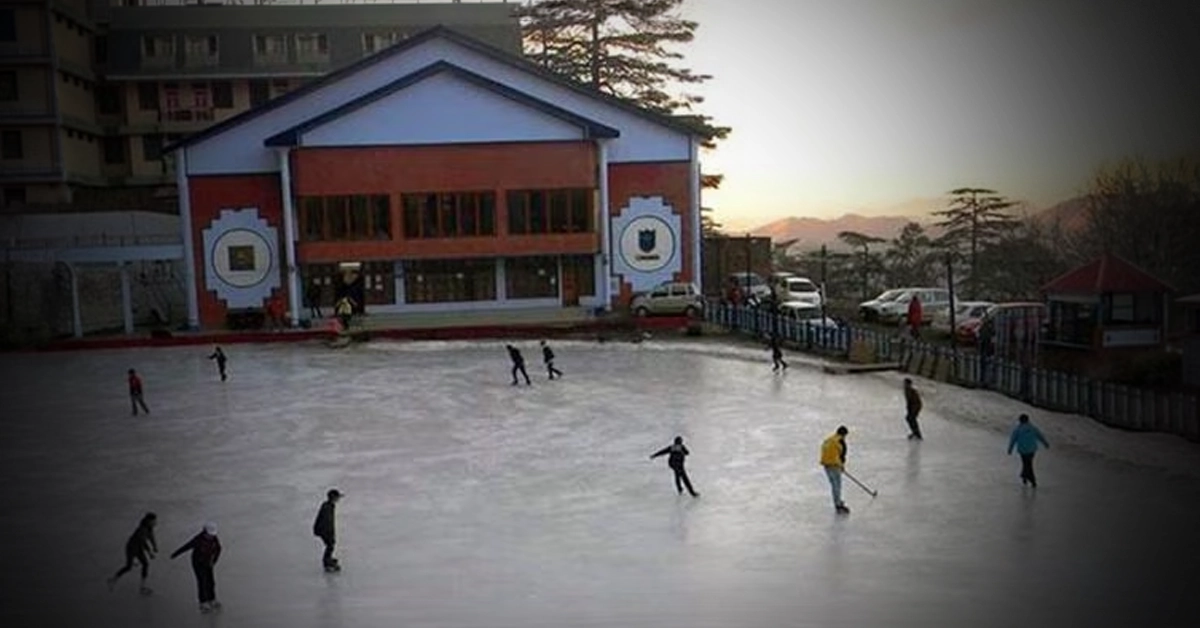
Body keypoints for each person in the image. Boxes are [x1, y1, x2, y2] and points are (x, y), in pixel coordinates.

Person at [170, 522, 222, 613]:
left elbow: (218, 549)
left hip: (208, 562)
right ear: (204, 531)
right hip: (198, 563)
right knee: (202, 581)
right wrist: (175, 554)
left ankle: (212, 599)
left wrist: (214, 561)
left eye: (212, 535)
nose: (211, 537)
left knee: (211, 581)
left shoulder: (214, 539)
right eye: (209, 535)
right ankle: (203, 602)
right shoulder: (198, 540)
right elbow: (186, 547)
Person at [106, 512, 158, 595]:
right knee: (128, 567)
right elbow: (142, 542)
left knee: (145, 564)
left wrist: (155, 546)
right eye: (153, 521)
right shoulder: (142, 529)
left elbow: (151, 537)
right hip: (131, 548)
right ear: (148, 521)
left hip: (138, 548)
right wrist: (149, 553)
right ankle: (113, 579)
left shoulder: (149, 528)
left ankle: (142, 587)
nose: (155, 523)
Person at [1007, 414, 1050, 488]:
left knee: (1027, 464)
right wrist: (1045, 443)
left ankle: (1030, 478)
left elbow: (1013, 440)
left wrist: (1010, 449)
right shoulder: (1033, 428)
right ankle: (1026, 476)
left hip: (1023, 450)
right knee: (1028, 463)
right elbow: (1040, 435)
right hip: (1031, 449)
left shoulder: (1018, 429)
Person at [820, 426, 850, 514]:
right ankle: (838, 504)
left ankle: (837, 502)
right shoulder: (840, 441)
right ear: (844, 434)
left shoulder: (828, 439)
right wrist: (841, 466)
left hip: (826, 465)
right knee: (837, 485)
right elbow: (842, 456)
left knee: (833, 484)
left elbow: (824, 451)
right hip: (834, 465)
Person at [312, 489, 343, 572]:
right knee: (330, 545)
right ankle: (327, 562)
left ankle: (328, 559)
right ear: (333, 498)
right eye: (337, 497)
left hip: (323, 529)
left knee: (330, 545)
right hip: (323, 530)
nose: (338, 499)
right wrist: (329, 533)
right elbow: (327, 521)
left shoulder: (329, 505)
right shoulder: (327, 507)